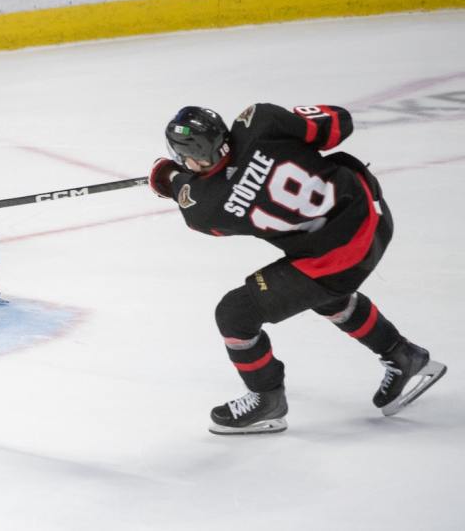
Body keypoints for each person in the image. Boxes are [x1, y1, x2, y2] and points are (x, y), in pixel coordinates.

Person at [149, 103, 446, 435]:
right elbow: (339, 123)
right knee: (321, 293)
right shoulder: (260, 120)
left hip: (338, 258)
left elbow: (197, 193)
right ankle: (403, 355)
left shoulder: (205, 208)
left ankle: (267, 401)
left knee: (235, 314)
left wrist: (169, 179)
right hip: (370, 214)